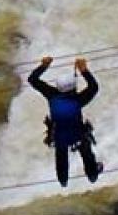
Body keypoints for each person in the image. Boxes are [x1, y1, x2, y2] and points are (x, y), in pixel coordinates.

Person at [28, 55, 103, 186]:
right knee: (87, 155)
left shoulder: (52, 95)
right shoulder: (78, 100)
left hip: (59, 136)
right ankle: (92, 175)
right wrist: (84, 70)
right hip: (78, 135)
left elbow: (32, 79)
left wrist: (44, 65)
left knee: (61, 159)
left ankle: (63, 181)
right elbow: (94, 87)